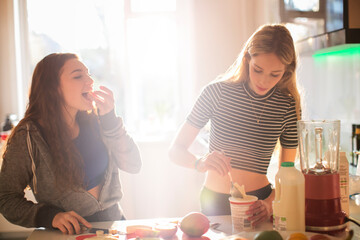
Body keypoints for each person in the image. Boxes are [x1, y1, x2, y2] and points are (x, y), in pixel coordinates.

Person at [169, 24, 301, 226]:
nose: (264, 81)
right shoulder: (216, 93)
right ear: (247, 59)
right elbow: (175, 151)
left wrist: (269, 204)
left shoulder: (287, 105)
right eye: (258, 69)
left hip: (260, 202)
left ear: (286, 71)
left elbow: (287, 173)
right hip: (214, 200)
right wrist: (200, 163)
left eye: (275, 74)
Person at [0, 53, 142, 234]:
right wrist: (50, 216)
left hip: (114, 228)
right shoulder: (28, 135)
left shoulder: (98, 121)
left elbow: (133, 165)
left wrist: (111, 121)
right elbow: (6, 198)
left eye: (88, 74)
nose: (90, 81)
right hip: (67, 235)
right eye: (78, 76)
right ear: (53, 88)